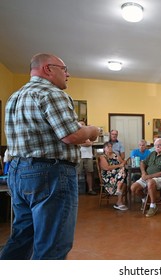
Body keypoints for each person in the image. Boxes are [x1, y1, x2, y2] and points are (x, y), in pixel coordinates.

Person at [0, 53, 99, 260]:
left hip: (18, 171)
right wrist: (92, 130)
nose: (68, 74)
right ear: (48, 69)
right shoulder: (51, 93)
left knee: (22, 236)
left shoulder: (14, 97)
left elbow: (45, 133)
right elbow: (70, 136)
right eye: (64, 69)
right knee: (52, 245)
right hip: (49, 174)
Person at [130, 138, 161, 217]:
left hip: (160, 179)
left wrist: (148, 177)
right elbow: (142, 163)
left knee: (150, 182)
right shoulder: (152, 153)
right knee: (133, 188)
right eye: (156, 145)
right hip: (146, 176)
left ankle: (153, 205)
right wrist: (143, 173)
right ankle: (144, 199)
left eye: (159, 145)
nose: (157, 147)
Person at [99, 142, 128, 211]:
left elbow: (123, 162)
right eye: (108, 147)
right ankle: (119, 201)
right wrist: (119, 166)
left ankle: (119, 201)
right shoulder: (103, 157)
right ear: (104, 149)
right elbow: (106, 168)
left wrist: (123, 163)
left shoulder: (115, 155)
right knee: (123, 176)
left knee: (123, 174)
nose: (110, 148)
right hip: (108, 176)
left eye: (111, 147)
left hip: (118, 175)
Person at [78, 121, 97, 195]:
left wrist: (83, 143)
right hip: (79, 156)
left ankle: (90, 189)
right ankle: (76, 189)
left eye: (83, 124)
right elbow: (78, 143)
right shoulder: (77, 133)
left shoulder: (89, 133)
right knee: (77, 173)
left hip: (88, 156)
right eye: (80, 124)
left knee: (89, 172)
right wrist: (87, 143)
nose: (82, 125)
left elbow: (92, 143)